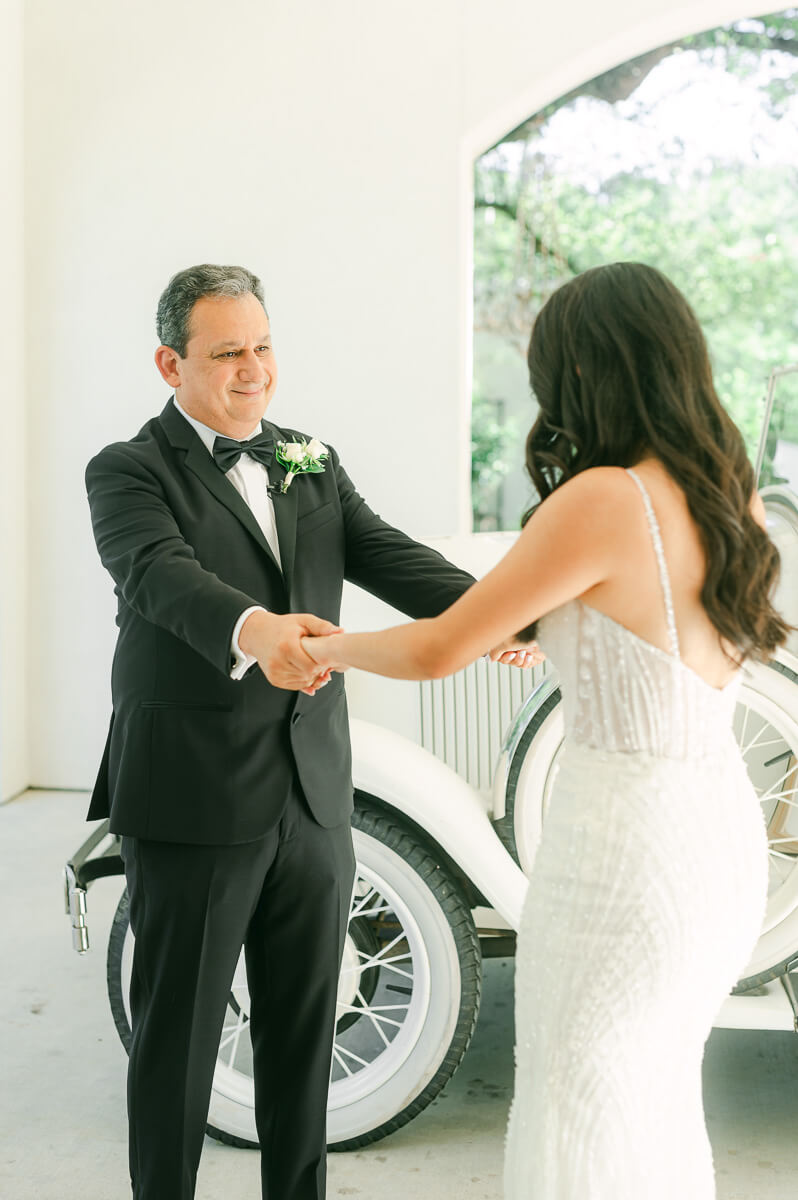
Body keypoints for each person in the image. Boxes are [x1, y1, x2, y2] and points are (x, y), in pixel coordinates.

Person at [301, 261, 789, 1199]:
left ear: (585, 374)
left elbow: (443, 648)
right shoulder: (736, 502)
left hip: (624, 849)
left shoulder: (604, 498)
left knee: (581, 1094)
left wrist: (329, 649)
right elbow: (646, 623)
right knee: (650, 1097)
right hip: (715, 841)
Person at [85, 262, 537, 1200]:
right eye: (226, 353)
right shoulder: (126, 469)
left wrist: (503, 614)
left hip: (316, 792)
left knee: (304, 1039)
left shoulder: (310, 459)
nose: (253, 370)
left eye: (262, 347)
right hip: (193, 795)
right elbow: (159, 577)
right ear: (170, 363)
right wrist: (256, 633)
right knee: (180, 1043)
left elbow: (391, 557)